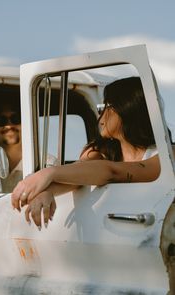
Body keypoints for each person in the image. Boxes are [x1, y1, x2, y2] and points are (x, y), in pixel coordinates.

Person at [11, 77, 160, 228]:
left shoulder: (163, 155)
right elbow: (78, 175)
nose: (100, 114)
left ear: (127, 107)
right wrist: (46, 191)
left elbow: (112, 172)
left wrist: (47, 174)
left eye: (106, 106)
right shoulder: (100, 151)